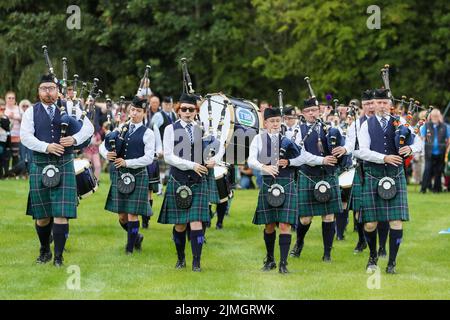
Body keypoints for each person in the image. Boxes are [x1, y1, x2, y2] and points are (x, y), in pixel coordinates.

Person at [20, 74, 94, 267]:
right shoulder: (31, 112)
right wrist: (47, 147)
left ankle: (58, 257)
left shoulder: (70, 107)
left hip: (64, 164)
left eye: (51, 88)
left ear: (57, 90)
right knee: (43, 216)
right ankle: (45, 249)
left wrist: (74, 140)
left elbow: (89, 128)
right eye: (44, 88)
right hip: (41, 163)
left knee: (61, 213)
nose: (48, 92)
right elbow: (25, 137)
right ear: (38, 92)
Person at [359, 88, 422, 274]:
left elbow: (418, 142)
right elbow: (362, 151)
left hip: (395, 175)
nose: (382, 106)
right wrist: (384, 158)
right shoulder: (366, 125)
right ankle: (372, 256)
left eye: (385, 102)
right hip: (373, 174)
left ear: (389, 104)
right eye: (379, 102)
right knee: (371, 223)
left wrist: (410, 149)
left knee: (396, 222)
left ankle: (392, 263)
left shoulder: (401, 122)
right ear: (374, 104)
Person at [158, 93, 218, 272]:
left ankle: (196, 262)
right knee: (180, 224)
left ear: (195, 111)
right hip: (179, 180)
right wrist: (192, 165)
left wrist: (211, 160)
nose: (187, 112)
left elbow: (210, 152)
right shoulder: (170, 129)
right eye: (184, 109)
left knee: (197, 222)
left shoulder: (202, 129)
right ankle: (181, 258)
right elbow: (169, 157)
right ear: (178, 110)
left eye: (191, 109)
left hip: (199, 181)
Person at [248, 107, 301, 273]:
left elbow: (302, 158)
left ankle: (283, 264)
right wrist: (264, 167)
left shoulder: (288, 140)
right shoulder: (259, 139)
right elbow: (250, 160)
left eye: (278, 120)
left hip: (287, 183)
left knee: (285, 225)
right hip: (268, 183)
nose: (276, 124)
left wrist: (290, 163)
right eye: (272, 121)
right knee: (269, 225)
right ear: (265, 123)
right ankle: (270, 258)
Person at [101, 96, 155, 254]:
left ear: (143, 113)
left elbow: (148, 158)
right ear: (129, 111)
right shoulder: (120, 128)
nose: (135, 113)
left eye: (138, 111)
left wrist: (127, 163)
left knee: (132, 214)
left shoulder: (148, 133)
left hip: (137, 174)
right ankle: (136, 237)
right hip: (121, 175)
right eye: (133, 110)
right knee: (122, 217)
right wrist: (107, 154)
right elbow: (103, 146)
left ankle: (129, 248)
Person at [289, 97, 340, 262]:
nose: (311, 113)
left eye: (314, 110)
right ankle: (299, 242)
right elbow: (301, 155)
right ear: (303, 114)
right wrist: (322, 160)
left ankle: (327, 253)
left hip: (328, 175)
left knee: (329, 215)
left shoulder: (329, 128)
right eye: (307, 111)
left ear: (319, 111)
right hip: (308, 175)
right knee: (305, 218)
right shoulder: (298, 130)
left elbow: (339, 147)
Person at [420, 108, 450, 193]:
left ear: (439, 116)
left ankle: (437, 189)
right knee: (427, 170)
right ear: (431, 116)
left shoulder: (445, 126)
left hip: (441, 151)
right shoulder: (426, 125)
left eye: (437, 116)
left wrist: (447, 147)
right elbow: (422, 137)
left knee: (438, 171)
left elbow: (448, 138)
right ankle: (424, 188)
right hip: (429, 151)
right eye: (433, 116)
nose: (435, 117)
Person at [4, 91, 21, 171]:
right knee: (6, 155)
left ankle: (14, 172)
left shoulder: (18, 108)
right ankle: (5, 172)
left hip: (17, 135)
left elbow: (24, 120)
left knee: (15, 155)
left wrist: (15, 117)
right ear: (6, 99)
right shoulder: (3, 108)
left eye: (13, 98)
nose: (11, 100)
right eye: (9, 98)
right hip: (5, 136)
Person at [0, 99, 11, 179]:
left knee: (4, 158)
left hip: (5, 140)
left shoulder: (5, 117)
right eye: (1, 109)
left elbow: (7, 128)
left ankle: (4, 174)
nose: (3, 110)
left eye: (4, 109)